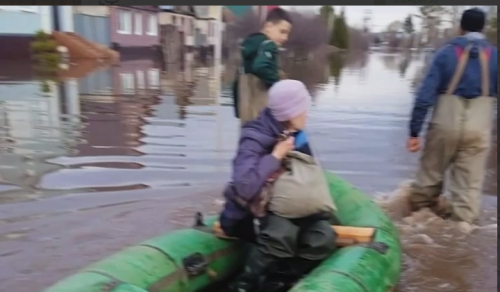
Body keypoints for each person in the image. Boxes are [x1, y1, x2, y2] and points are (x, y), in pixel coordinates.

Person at [221, 80, 336, 292]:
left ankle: (279, 278)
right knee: (281, 233)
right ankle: (243, 285)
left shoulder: (297, 136)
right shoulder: (254, 137)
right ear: (290, 113)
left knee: (323, 238)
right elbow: (245, 186)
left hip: (287, 207)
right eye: (303, 108)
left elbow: (305, 181)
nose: (306, 113)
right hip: (250, 214)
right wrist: (275, 156)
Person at [407, 8, 497, 233]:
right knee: (468, 192)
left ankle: (419, 224)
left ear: (461, 27)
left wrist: (414, 132)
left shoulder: (446, 53)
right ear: (483, 28)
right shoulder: (495, 56)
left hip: (444, 123)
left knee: (428, 180)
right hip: (479, 126)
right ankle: (462, 231)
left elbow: (425, 95)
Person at [233, 8, 292, 124]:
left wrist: (238, 111)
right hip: (261, 112)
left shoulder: (250, 46)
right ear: (268, 26)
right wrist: (279, 83)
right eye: (282, 32)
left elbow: (235, 82)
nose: (286, 38)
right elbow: (261, 66)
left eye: (287, 33)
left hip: (246, 111)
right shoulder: (269, 45)